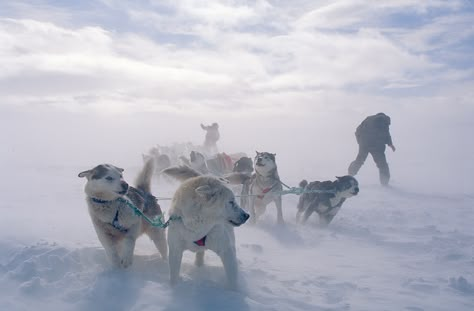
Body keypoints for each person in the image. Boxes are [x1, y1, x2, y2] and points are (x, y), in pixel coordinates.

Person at [348, 113, 396, 186]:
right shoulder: (380, 120)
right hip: (372, 146)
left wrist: (390, 144)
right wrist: (390, 144)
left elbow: (357, 131)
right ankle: (384, 182)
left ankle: (350, 174)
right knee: (381, 164)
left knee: (362, 161)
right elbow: (386, 133)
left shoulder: (374, 120)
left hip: (370, 146)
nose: (387, 126)